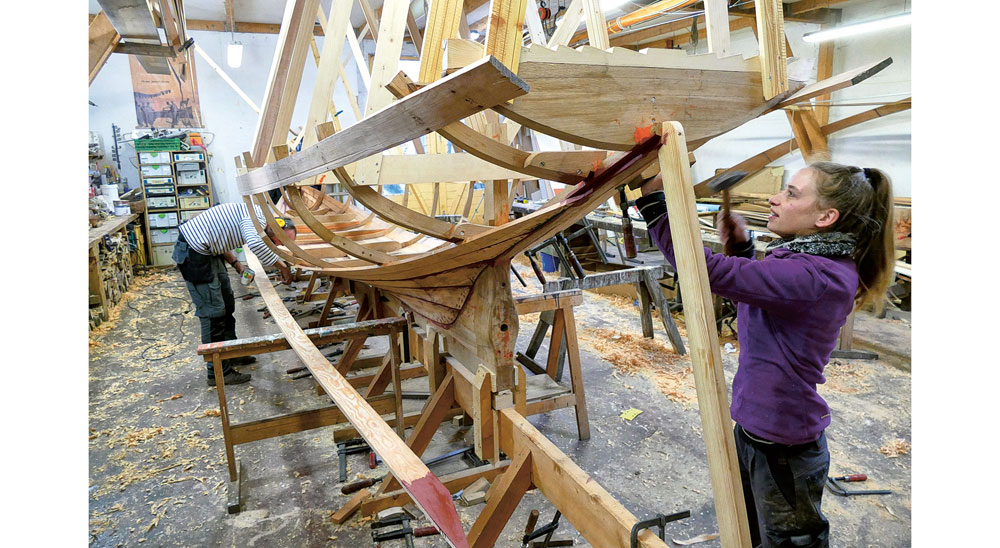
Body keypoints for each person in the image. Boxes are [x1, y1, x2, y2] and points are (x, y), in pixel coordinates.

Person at [636, 162, 895, 548]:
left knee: (791, 542)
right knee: (751, 530)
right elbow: (758, 296)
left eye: (792, 193)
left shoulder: (815, 276)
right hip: (760, 429)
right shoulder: (803, 261)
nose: (775, 197)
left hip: (783, 445)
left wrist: (655, 203)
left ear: (826, 217)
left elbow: (703, 271)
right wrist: (741, 248)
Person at [172, 202, 297, 386]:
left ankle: (230, 352)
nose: (275, 245)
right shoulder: (257, 217)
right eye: (277, 242)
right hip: (194, 254)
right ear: (275, 227)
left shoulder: (256, 216)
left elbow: (219, 237)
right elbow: (255, 243)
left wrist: (237, 265)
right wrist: (282, 267)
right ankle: (217, 373)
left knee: (227, 304)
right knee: (213, 313)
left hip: (207, 251)